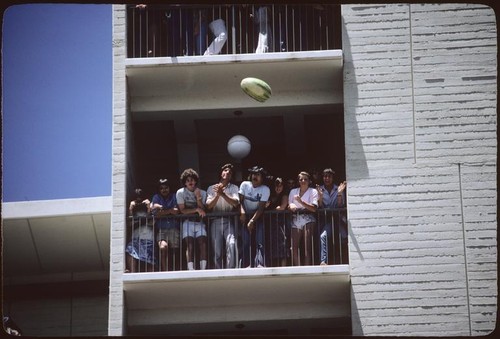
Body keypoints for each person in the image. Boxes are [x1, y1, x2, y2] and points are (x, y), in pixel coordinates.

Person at [206, 163, 240, 269]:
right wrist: (218, 194)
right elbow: (208, 206)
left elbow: (236, 203)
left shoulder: (234, 188)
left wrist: (223, 194)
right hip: (215, 220)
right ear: (221, 173)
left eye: (230, 172)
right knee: (217, 250)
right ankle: (218, 270)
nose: (228, 172)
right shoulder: (211, 188)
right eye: (225, 170)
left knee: (231, 244)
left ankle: (231, 270)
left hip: (228, 220)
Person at [239, 166, 271, 268]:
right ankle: (245, 265)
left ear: (262, 177)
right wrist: (243, 213)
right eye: (253, 174)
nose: (255, 177)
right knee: (245, 242)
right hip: (245, 217)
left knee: (259, 241)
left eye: (258, 175)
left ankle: (260, 264)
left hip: (258, 217)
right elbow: (239, 202)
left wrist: (252, 221)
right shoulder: (244, 184)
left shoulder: (265, 189)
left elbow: (261, 208)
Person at [176, 168, 208, 270]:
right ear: (185, 182)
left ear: (196, 181)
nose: (190, 182)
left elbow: (204, 209)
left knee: (202, 244)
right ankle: (191, 269)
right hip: (187, 222)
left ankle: (203, 269)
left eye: (192, 180)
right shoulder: (180, 192)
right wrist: (196, 209)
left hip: (200, 222)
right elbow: (182, 210)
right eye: (188, 180)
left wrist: (198, 197)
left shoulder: (202, 192)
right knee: (189, 245)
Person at [317, 168, 347, 265]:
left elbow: (340, 205)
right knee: (323, 236)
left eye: (329, 176)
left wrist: (339, 194)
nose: (327, 178)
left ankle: (346, 260)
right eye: (325, 176)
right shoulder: (320, 189)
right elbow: (320, 206)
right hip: (327, 219)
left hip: (338, 219)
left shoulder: (338, 188)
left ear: (332, 178)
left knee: (344, 237)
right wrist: (320, 197)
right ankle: (323, 261)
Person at [288, 171, 318, 266]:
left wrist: (301, 202)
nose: (303, 181)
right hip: (296, 219)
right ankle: (298, 268)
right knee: (293, 247)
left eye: (305, 179)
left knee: (306, 247)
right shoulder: (293, 191)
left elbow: (313, 208)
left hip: (308, 219)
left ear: (309, 181)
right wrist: (291, 206)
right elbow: (290, 204)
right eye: (301, 179)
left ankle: (307, 268)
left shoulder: (313, 191)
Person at [151, 179, 180, 271]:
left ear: (169, 188)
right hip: (161, 229)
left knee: (174, 252)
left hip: (174, 228)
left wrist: (163, 211)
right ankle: (165, 271)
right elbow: (155, 213)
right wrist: (169, 211)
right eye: (161, 188)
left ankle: (174, 271)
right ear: (159, 190)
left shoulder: (174, 196)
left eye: (166, 187)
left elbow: (176, 211)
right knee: (163, 248)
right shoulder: (156, 197)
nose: (164, 190)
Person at [125, 188, 155, 272]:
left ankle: (150, 277)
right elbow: (129, 224)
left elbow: (152, 222)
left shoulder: (149, 209)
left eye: (140, 200)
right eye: (137, 200)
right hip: (136, 238)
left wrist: (149, 208)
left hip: (148, 238)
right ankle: (132, 272)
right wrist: (131, 209)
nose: (139, 203)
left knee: (149, 259)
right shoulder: (134, 213)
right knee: (130, 249)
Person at [265, 177, 289, 267]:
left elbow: (282, 207)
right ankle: (272, 267)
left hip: (281, 222)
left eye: (280, 186)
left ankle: (283, 267)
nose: (278, 188)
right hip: (270, 223)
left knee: (283, 243)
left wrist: (271, 209)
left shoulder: (284, 195)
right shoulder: (269, 195)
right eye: (276, 186)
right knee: (271, 243)